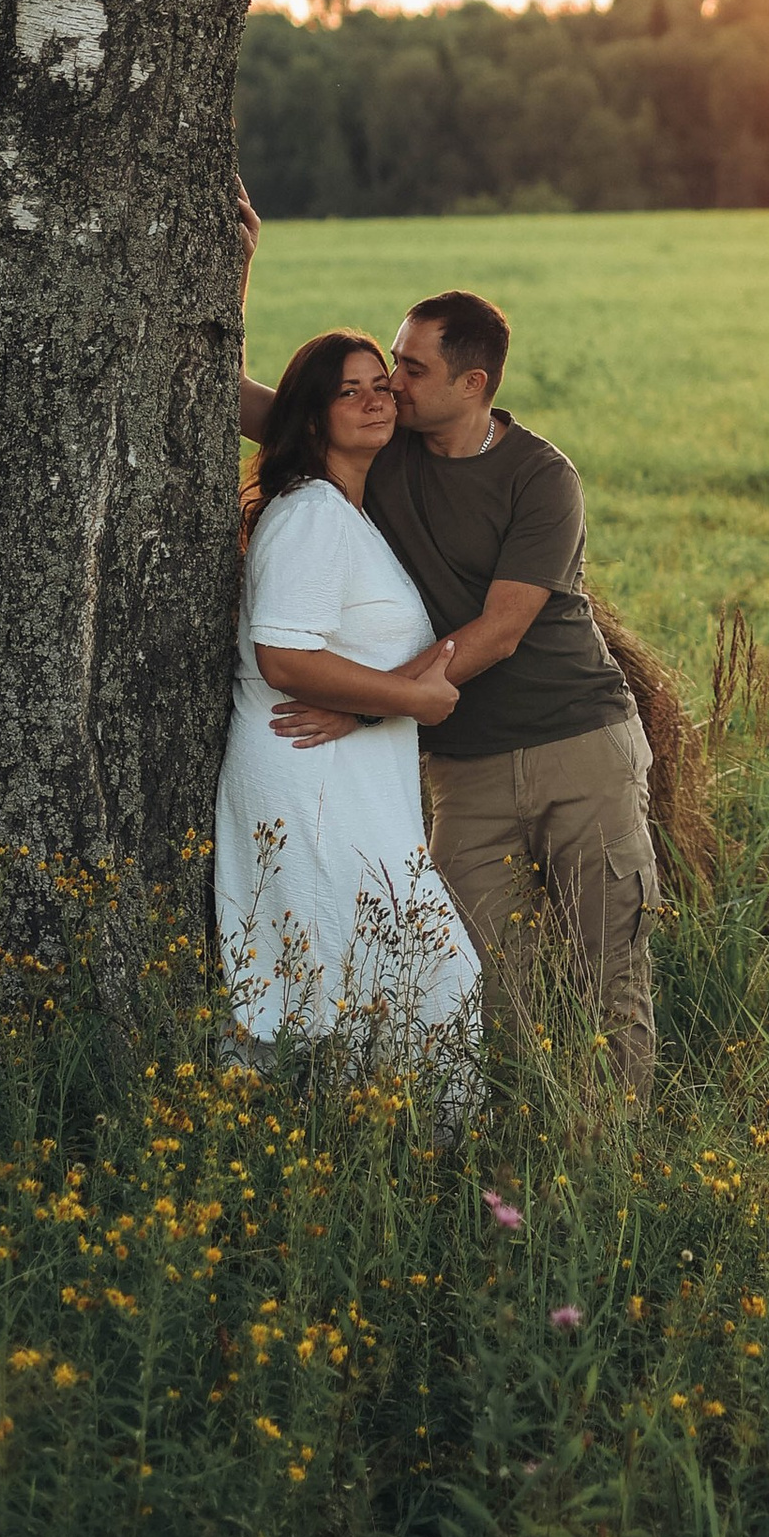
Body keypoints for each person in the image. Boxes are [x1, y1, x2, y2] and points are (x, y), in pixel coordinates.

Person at [237, 208, 659, 1096]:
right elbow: (262, 410)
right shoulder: (383, 447)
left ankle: (607, 1164)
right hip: (464, 773)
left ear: (471, 384)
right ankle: (508, 1149)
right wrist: (233, 271)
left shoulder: (542, 478)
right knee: (476, 986)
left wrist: (366, 702)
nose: (390, 382)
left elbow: (502, 630)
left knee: (605, 973)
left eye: (411, 367)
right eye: (390, 361)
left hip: (576, 748)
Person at [215, 331, 477, 1056]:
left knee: (369, 978)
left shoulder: (349, 511)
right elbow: (284, 657)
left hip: (349, 780)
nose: (375, 400)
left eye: (380, 385)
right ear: (310, 418)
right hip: (307, 780)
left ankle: (368, 1151)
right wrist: (410, 698)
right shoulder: (311, 516)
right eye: (348, 391)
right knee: (404, 975)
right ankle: (395, 1152)